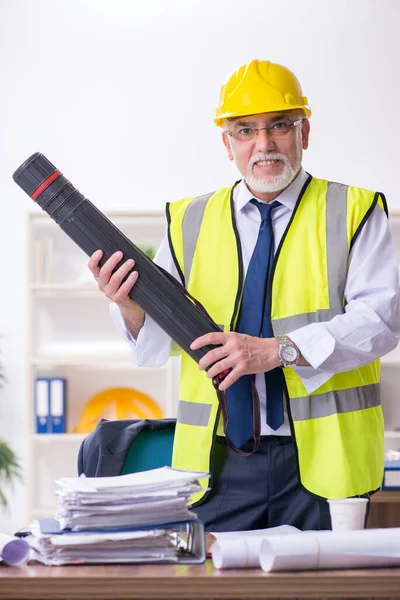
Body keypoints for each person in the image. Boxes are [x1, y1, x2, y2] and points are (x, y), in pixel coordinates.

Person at [88, 59, 400, 532]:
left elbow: (382, 318)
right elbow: (157, 340)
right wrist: (129, 308)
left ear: (305, 132)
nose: (264, 144)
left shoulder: (354, 210)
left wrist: (277, 351)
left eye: (279, 126)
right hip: (216, 466)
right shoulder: (188, 220)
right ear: (226, 142)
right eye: (245, 129)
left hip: (325, 463)